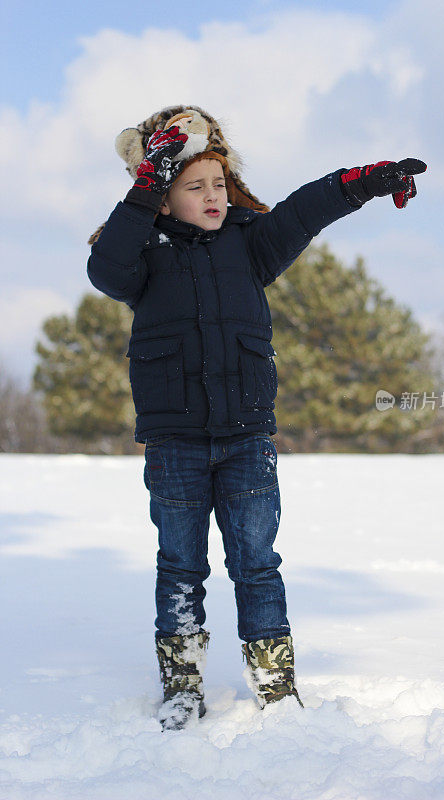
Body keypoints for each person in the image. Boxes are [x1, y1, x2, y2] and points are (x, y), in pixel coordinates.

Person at [87, 104, 426, 731]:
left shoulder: (251, 244)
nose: (214, 195)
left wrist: (363, 182)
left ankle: (275, 682)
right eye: (194, 185)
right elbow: (104, 269)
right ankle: (182, 684)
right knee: (180, 568)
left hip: (246, 441)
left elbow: (303, 209)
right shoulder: (141, 257)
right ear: (162, 195)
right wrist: (144, 190)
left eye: (219, 181)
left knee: (256, 562)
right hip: (176, 445)